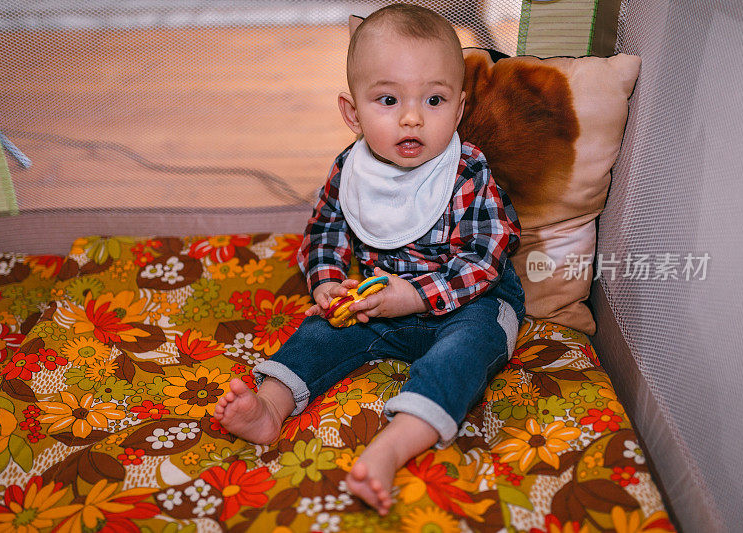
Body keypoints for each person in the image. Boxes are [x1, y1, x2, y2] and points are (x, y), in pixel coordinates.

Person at [214, 3, 526, 515]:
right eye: (387, 100)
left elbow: (488, 254)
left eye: (434, 99)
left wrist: (418, 295)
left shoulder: (466, 170)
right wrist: (327, 283)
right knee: (319, 332)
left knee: (464, 354)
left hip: (472, 302)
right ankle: (269, 407)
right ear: (352, 113)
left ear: (460, 107)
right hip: (380, 302)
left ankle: (393, 445)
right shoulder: (352, 169)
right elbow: (326, 229)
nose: (411, 117)